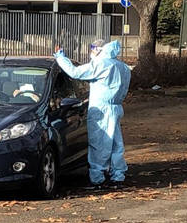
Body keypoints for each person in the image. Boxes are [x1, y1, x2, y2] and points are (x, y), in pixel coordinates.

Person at [53, 39, 131, 189]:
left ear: (99, 49)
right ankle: (118, 175)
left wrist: (60, 57)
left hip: (100, 109)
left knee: (98, 143)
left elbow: (75, 72)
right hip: (115, 108)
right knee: (115, 143)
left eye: (93, 48)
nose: (91, 52)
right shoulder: (123, 67)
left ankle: (98, 178)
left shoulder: (101, 64)